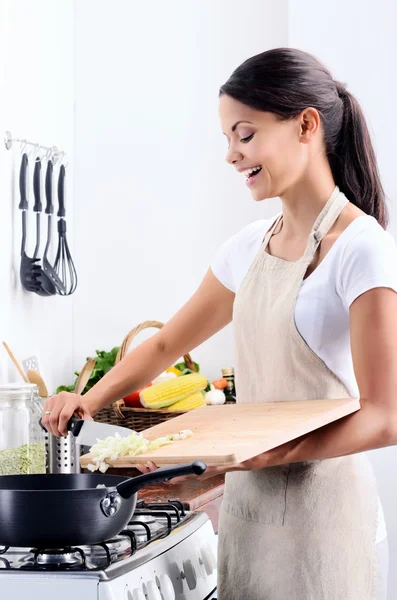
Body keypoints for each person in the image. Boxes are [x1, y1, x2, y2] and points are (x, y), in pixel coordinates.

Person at [42, 48, 397, 599]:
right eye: (227, 139)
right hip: (250, 515)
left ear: (306, 125)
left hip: (325, 521)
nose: (231, 155)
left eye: (245, 134)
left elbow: (385, 416)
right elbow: (164, 344)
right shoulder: (247, 249)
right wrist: (87, 397)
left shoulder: (362, 250)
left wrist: (263, 456)